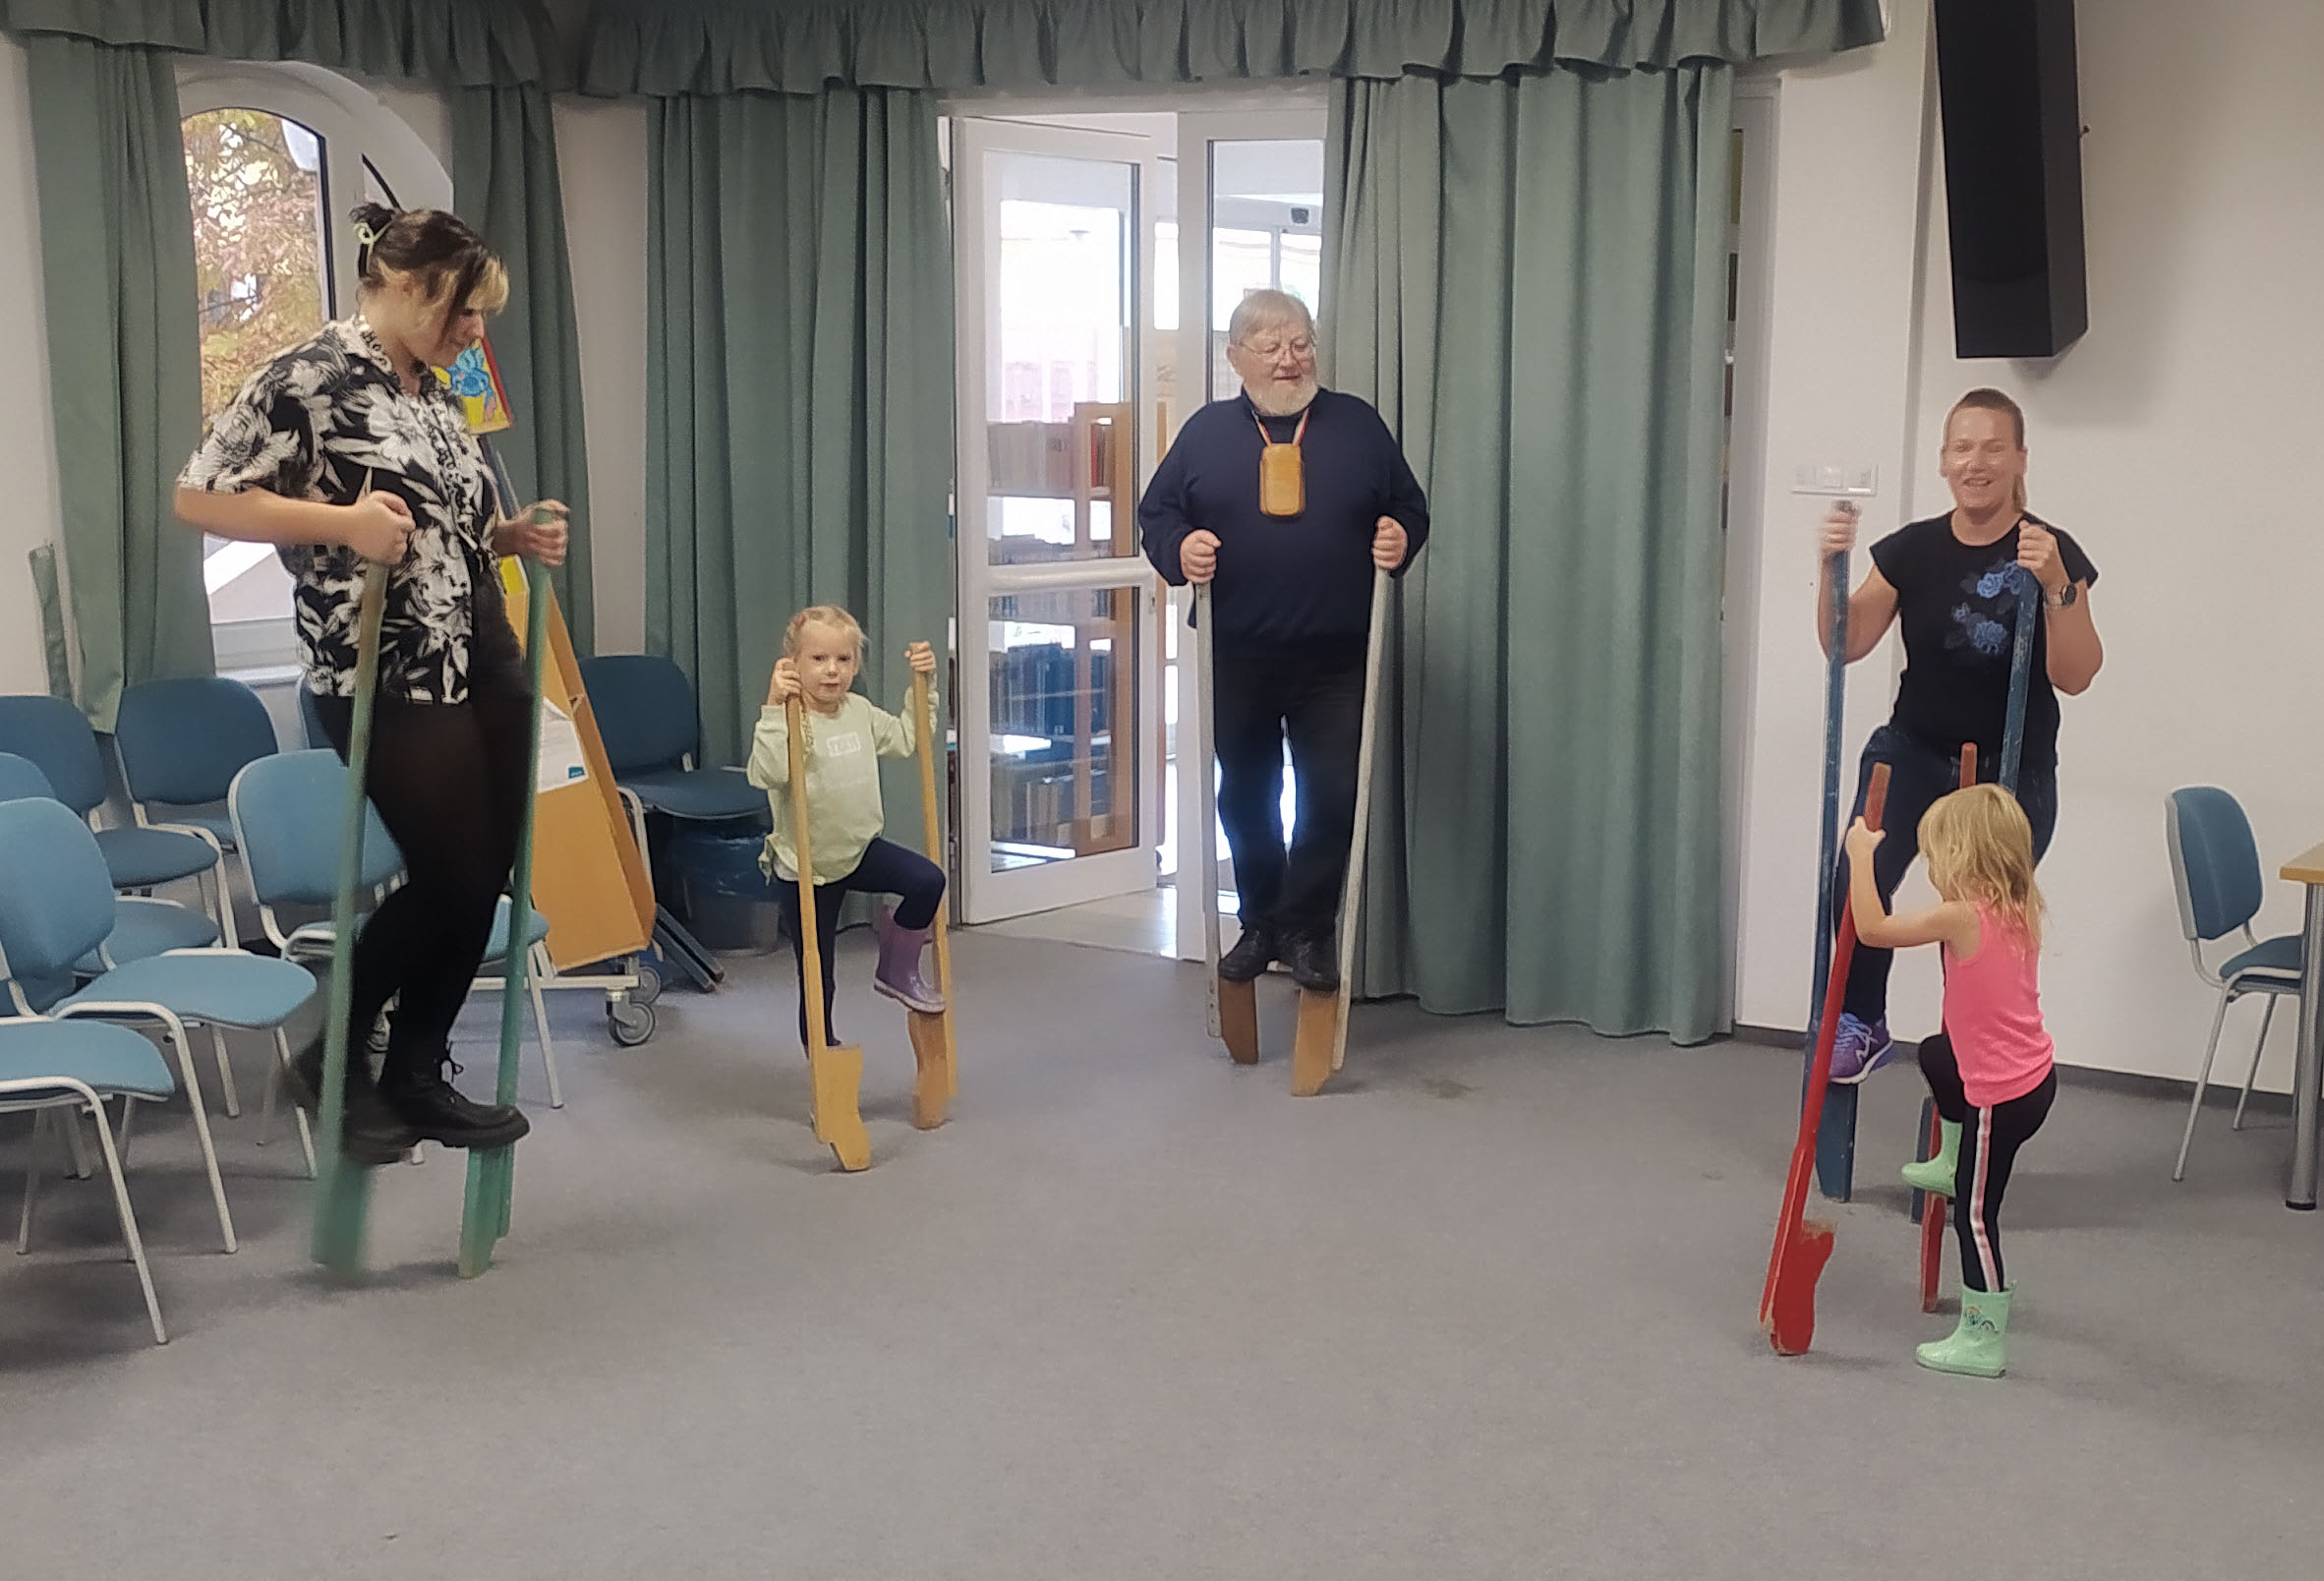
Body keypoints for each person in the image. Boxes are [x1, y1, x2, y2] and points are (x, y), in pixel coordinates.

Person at [176, 205, 567, 1164]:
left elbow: (441, 523)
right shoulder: (307, 376)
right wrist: (342, 526)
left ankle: (418, 1073)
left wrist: (506, 536)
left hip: (481, 642)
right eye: (462, 308)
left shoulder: (440, 389)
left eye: (482, 312)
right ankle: (335, 1057)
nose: (475, 329)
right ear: (400, 285)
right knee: (452, 872)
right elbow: (201, 497)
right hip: (383, 665)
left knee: (486, 873)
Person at [1138, 289, 1428, 992]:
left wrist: (1401, 536)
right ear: (1236, 357)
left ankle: (1306, 929)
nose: (1288, 360)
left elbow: (1409, 506)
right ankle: (1262, 921)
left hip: (1337, 655)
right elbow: (1158, 515)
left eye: (1300, 344)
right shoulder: (1206, 432)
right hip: (1237, 652)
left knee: (1331, 794)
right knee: (1246, 796)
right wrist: (1181, 549)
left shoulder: (1358, 424)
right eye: (1270, 348)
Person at [1818, 387, 2102, 1082]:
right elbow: (1844, 643)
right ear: (1944, 460)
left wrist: (2057, 584)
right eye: (1963, 448)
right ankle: (1861, 1019)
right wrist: (1829, 567)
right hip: (1914, 749)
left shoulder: (2050, 549)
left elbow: (2077, 674)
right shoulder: (1911, 550)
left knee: (1981, 923)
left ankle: (1974, 1053)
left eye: (1994, 448)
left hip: (2011, 766)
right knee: (1859, 873)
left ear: (2020, 458)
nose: (1977, 463)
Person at [1846, 785, 2057, 1377]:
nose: (1934, 870)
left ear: (1965, 857)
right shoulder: (2019, 904)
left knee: (1975, 1217)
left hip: (2001, 1098)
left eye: (1937, 857)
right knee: (1938, 1053)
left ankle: (1983, 1339)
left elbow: (1872, 929)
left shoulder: (1963, 915)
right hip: (2035, 1077)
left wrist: (1861, 856)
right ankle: (1952, 1158)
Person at [746, 606, 946, 1044]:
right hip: (806, 865)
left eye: (843, 659)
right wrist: (774, 708)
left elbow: (908, 739)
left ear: (856, 665)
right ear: (793, 664)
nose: (832, 670)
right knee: (819, 973)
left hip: (857, 850)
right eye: (818, 659)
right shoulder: (790, 716)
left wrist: (923, 686)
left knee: (928, 881)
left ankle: (896, 969)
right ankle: (824, 1052)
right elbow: (767, 774)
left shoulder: (859, 711)